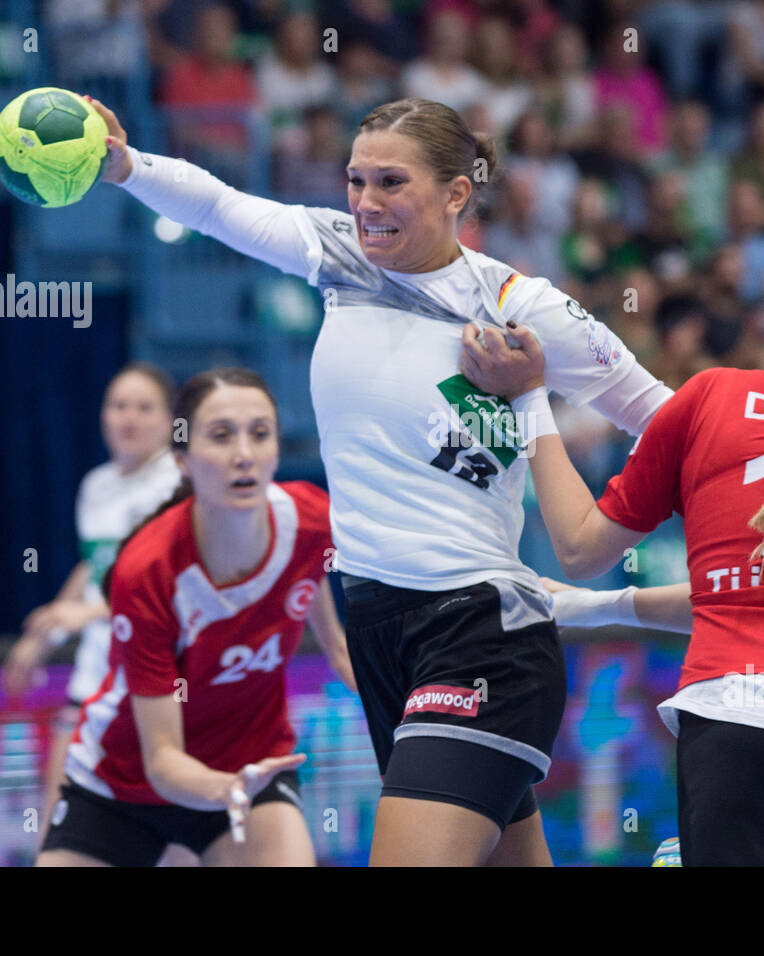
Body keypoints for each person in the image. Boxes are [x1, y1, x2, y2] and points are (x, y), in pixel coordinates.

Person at [86, 94, 673, 865]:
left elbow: (665, 418)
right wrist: (128, 166)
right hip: (380, 636)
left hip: (479, 634)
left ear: (456, 193)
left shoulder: (515, 306)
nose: (366, 204)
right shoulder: (338, 254)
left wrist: (761, 507)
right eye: (356, 181)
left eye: (391, 183)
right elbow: (220, 208)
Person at [462, 227, 764, 866]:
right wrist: (596, 608)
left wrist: (529, 395)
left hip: (746, 728)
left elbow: (580, 547)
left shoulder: (710, 397)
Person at [36, 368, 355, 867]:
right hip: (123, 784)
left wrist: (359, 667)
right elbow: (162, 759)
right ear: (181, 458)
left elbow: (322, 607)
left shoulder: (312, 519)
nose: (244, 453)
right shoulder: (147, 570)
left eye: (260, 433)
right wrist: (222, 788)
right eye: (222, 436)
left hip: (252, 769)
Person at [2, 362, 181, 831]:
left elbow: (174, 588)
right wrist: (46, 634)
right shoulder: (96, 486)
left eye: (144, 408)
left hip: (160, 688)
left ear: (169, 421)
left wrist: (86, 613)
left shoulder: (178, 486)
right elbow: (94, 569)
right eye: (119, 405)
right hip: (94, 684)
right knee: (56, 825)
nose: (129, 418)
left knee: (179, 839)